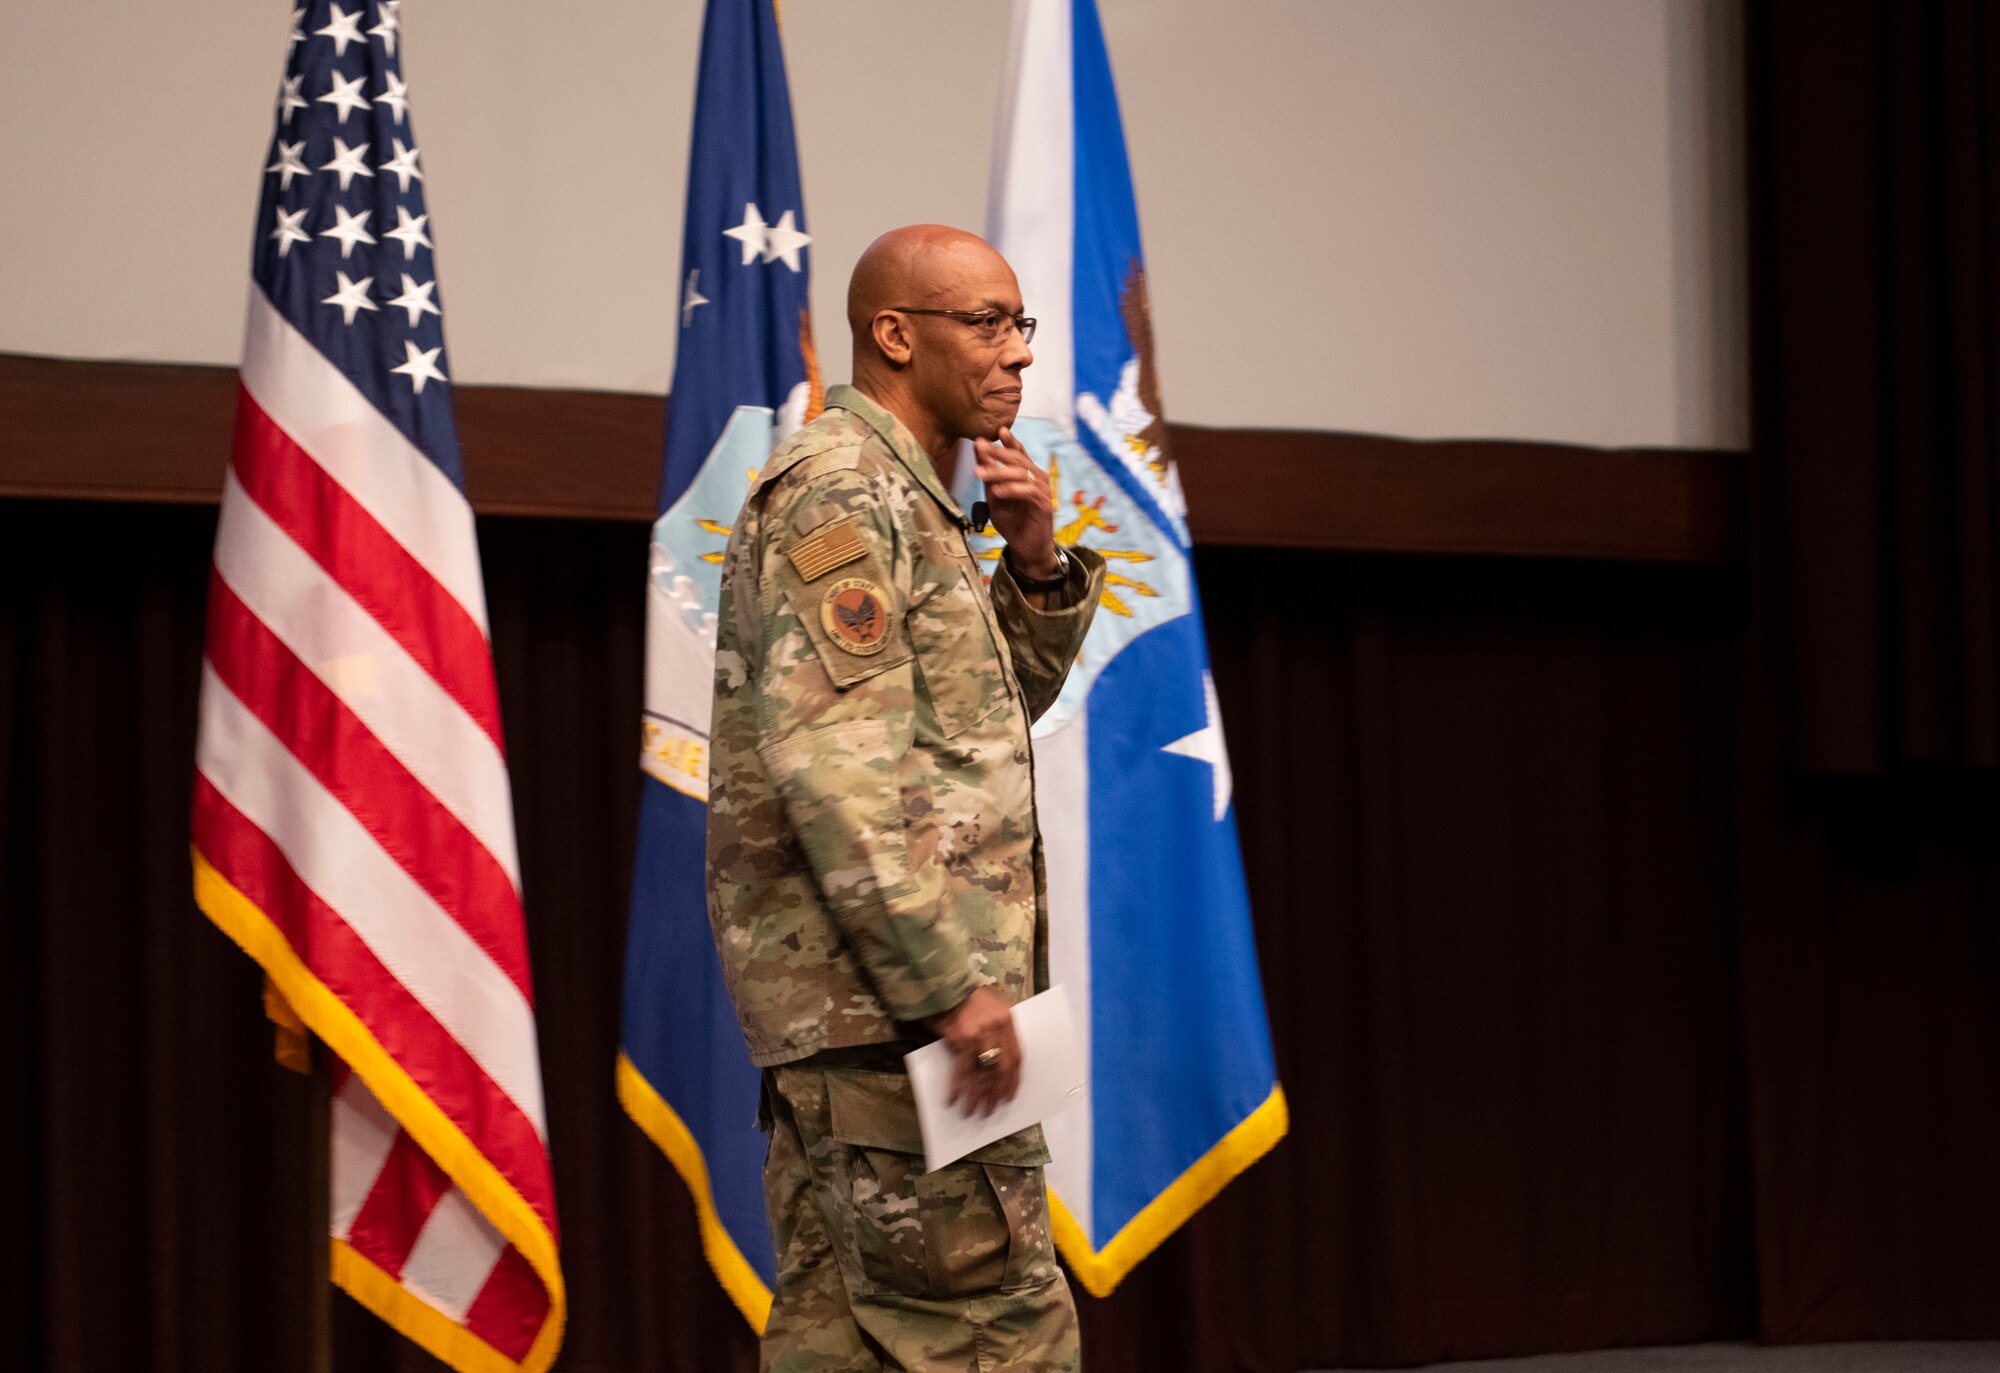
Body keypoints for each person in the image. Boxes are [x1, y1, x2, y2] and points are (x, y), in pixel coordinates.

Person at [706, 223, 1106, 1371]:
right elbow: (834, 773)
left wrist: (1032, 566)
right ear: (892, 335)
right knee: (992, 1338)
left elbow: (957, 740)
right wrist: (946, 987)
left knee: (849, 1342)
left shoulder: (912, 496)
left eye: (1018, 325)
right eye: (985, 323)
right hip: (892, 1018)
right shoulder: (841, 491)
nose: (1016, 353)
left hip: (879, 1016)